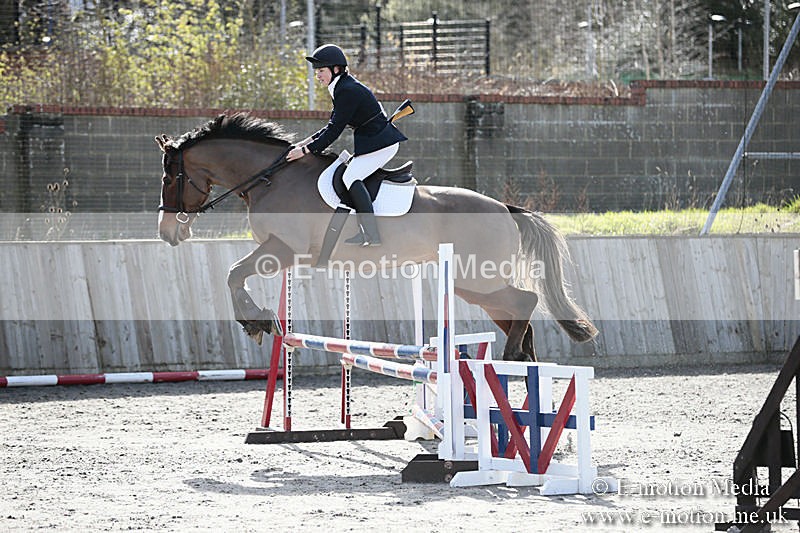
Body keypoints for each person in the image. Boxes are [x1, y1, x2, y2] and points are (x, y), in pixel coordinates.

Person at [286, 44, 407, 246]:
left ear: (336, 69)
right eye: (316, 72)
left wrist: (306, 151)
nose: (318, 76)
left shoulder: (347, 90)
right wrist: (304, 143)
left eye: (321, 71)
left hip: (381, 144)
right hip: (373, 141)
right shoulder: (342, 87)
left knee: (350, 176)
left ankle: (372, 234)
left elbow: (334, 131)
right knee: (350, 174)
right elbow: (331, 125)